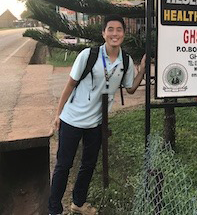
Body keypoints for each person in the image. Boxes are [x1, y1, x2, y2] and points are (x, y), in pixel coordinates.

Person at [48, 14, 146, 215]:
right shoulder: (88, 55)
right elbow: (70, 85)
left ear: (124, 34)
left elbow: (130, 89)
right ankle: (54, 209)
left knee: (88, 164)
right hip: (72, 119)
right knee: (63, 166)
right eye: (110, 29)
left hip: (96, 123)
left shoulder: (125, 61)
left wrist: (142, 70)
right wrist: (58, 114)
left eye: (119, 29)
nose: (114, 33)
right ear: (103, 33)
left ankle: (78, 202)